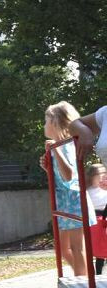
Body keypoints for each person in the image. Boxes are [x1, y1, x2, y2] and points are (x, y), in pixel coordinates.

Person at [42, 102, 94, 277]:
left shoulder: (66, 145)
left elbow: (69, 175)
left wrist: (54, 151)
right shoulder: (58, 145)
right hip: (64, 201)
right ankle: (85, 277)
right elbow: (60, 175)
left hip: (73, 200)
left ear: (55, 122)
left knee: (76, 248)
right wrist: (47, 167)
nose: (43, 125)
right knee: (64, 250)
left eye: (46, 121)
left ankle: (84, 284)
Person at [84, 164, 107, 274]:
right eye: (100, 173)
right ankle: (96, 273)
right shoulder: (87, 191)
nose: (103, 175)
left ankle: (98, 272)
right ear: (92, 176)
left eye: (104, 172)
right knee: (97, 247)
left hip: (104, 218)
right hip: (94, 220)